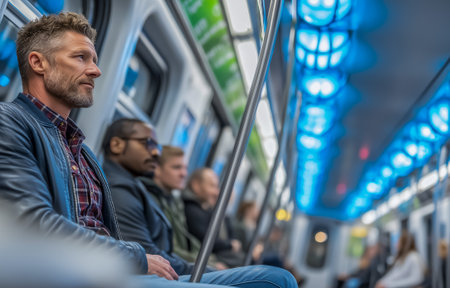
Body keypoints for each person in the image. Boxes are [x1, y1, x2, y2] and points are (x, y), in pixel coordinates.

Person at [0, 12, 296, 288]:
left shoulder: (82, 152)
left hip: (112, 268)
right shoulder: (10, 123)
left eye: (94, 59)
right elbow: (34, 224)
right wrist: (138, 259)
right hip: (75, 273)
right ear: (38, 63)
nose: (96, 70)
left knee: (276, 277)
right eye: (80, 58)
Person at [102, 118, 297, 287]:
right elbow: (145, 252)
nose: (154, 153)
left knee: (278, 277)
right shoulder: (121, 189)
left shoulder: (137, 188)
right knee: (278, 280)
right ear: (117, 145)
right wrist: (199, 268)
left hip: (170, 267)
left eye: (157, 147)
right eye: (147, 144)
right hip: (156, 273)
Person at [140, 145, 225, 269]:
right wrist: (208, 265)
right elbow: (167, 248)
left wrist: (209, 260)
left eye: (185, 168)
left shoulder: (174, 201)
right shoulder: (149, 198)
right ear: (157, 169)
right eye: (177, 168)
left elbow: (186, 239)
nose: (184, 173)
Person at [184, 168, 244, 267]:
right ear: (196, 186)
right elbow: (207, 242)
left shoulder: (205, 210)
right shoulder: (192, 210)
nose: (216, 192)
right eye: (212, 186)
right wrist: (214, 263)